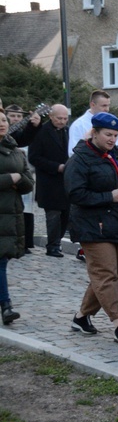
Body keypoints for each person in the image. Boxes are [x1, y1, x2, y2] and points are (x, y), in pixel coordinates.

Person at [65, 112, 118, 343]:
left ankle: (82, 316)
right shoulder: (80, 159)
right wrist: (107, 196)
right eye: (108, 134)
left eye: (115, 135)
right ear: (94, 133)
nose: (112, 139)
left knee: (115, 273)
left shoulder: (116, 155)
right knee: (105, 274)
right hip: (92, 225)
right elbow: (75, 194)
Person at [0, 109, 35, 325]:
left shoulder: (16, 152)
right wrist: (10, 178)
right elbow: (17, 176)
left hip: (10, 215)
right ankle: (6, 305)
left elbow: (28, 183)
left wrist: (19, 180)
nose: (2, 124)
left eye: (3, 120)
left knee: (2, 260)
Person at [28, 104, 70, 258]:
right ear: (51, 116)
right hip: (49, 181)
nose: (62, 121)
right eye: (59, 118)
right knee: (53, 216)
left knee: (66, 215)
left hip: (66, 181)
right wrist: (55, 167)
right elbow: (33, 157)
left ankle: (57, 243)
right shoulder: (41, 132)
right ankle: (52, 246)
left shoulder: (67, 130)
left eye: (65, 118)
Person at [6, 105, 39, 252]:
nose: (16, 119)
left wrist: (33, 125)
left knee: (22, 210)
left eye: (19, 116)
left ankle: (24, 243)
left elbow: (25, 138)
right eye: (13, 116)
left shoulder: (16, 134)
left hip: (17, 177)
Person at [68, 90, 111, 156]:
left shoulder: (110, 123)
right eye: (104, 106)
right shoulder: (78, 125)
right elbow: (72, 152)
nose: (107, 109)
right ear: (92, 105)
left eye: (108, 105)